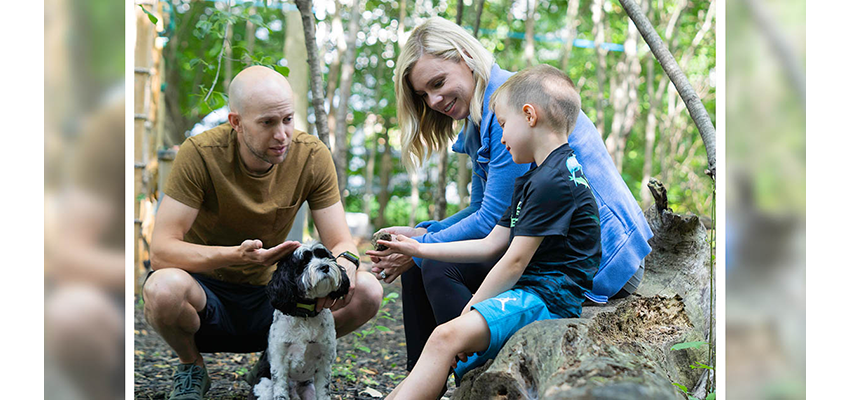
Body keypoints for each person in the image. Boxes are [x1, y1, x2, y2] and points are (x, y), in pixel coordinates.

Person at [370, 16, 653, 372]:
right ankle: (423, 376)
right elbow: (482, 209)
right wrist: (422, 234)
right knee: (423, 262)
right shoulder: (485, 115)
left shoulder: (514, 111)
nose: (434, 100)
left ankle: (473, 375)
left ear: (464, 57)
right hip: (549, 250)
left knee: (437, 268)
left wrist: (423, 245)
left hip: (600, 262)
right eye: (423, 95)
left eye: (438, 83)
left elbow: (491, 225)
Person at [143, 66, 383, 400]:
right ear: (236, 123)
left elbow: (341, 241)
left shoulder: (311, 155)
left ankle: (278, 363)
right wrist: (234, 255)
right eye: (268, 123)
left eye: (287, 119)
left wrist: (348, 266)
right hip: (205, 293)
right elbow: (162, 252)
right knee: (162, 289)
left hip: (279, 299)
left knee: (369, 291)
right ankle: (192, 366)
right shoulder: (199, 154)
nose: (282, 134)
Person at [374, 65, 600, 399]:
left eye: (505, 125)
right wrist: (419, 248)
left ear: (530, 116)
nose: (502, 138)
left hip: (546, 303)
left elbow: (513, 263)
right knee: (444, 339)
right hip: (533, 295)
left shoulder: (553, 182)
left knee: (444, 338)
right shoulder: (540, 176)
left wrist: (467, 317)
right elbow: (491, 243)